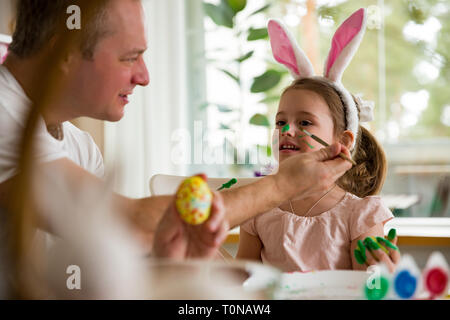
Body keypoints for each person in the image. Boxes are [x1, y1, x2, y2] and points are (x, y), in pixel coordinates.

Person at [0, 0, 352, 260]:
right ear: (63, 51)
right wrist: (284, 183)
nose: (144, 76)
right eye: (129, 57)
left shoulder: (81, 149)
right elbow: (135, 226)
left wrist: (176, 262)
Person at [237, 9, 401, 273]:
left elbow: (364, 287)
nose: (287, 130)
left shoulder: (358, 215)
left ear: (343, 142)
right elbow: (240, 283)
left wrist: (383, 276)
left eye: (304, 122)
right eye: (280, 122)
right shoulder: (259, 206)